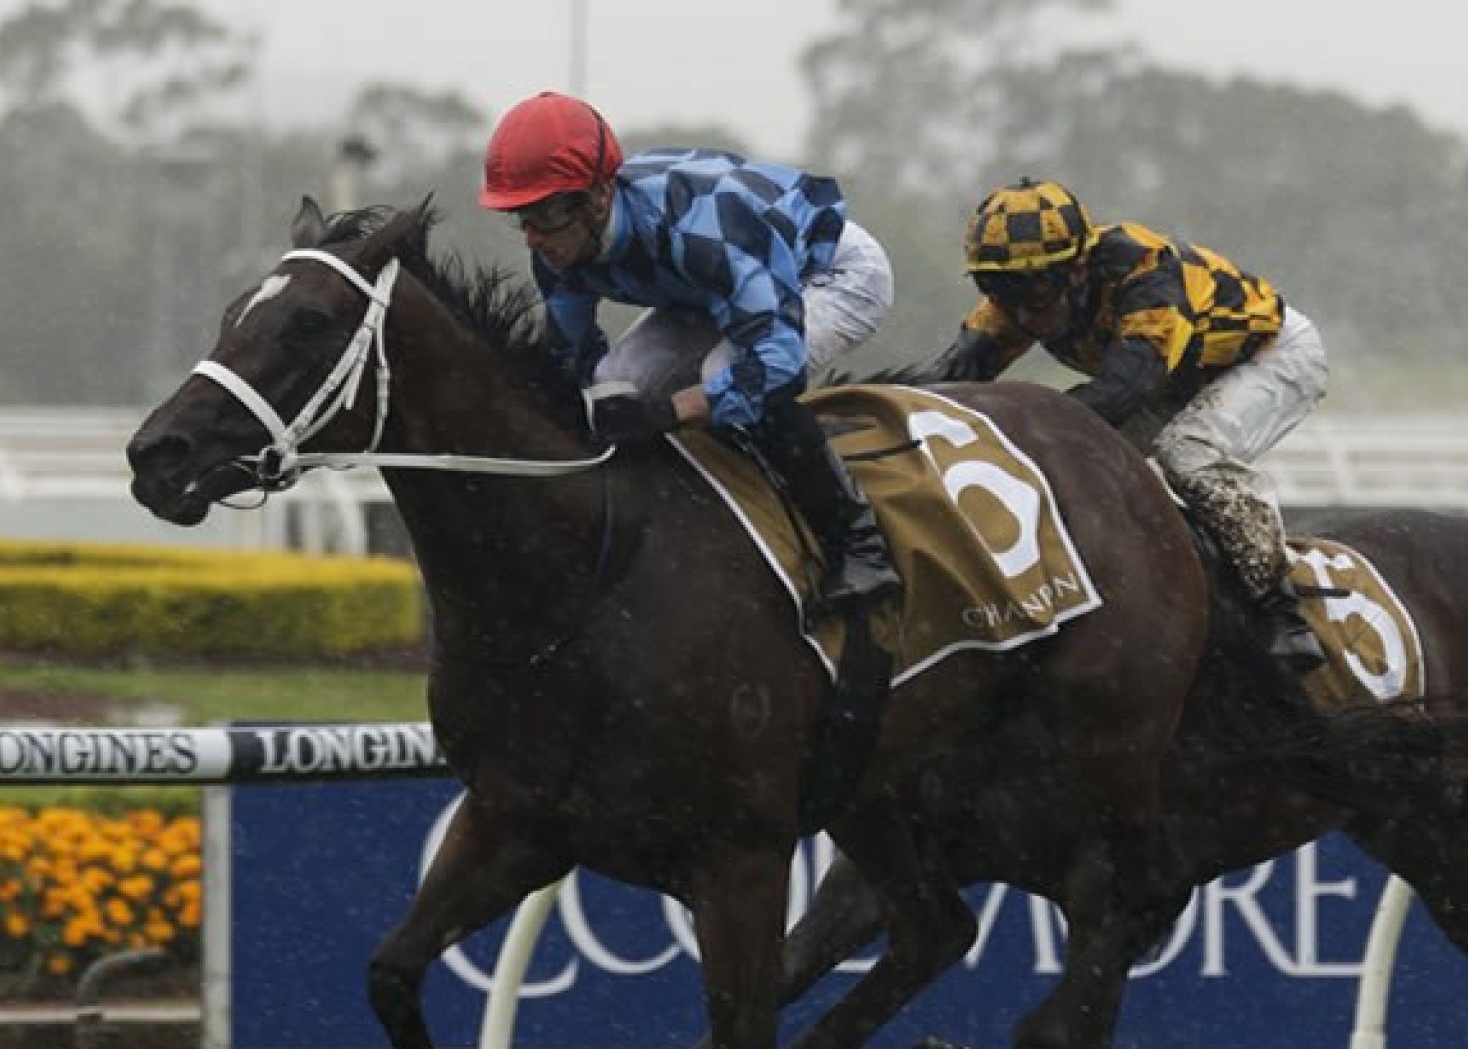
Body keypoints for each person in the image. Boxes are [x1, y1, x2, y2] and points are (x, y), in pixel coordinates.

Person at [479, 91, 901, 618]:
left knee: (723, 374)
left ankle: (859, 545)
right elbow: (572, 364)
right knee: (618, 382)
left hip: (829, 273)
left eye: (543, 216)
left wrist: (672, 411)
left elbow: (776, 364)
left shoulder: (702, 229)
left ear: (597, 198)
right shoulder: (559, 252)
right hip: (708, 290)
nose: (532, 239)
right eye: (521, 219)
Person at [922, 178, 1327, 671]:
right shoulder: (1019, 298)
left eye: (1037, 287)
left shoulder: (1144, 271)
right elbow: (945, 387)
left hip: (1267, 356)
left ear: (1077, 269)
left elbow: (1122, 391)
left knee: (1189, 453)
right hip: (1175, 374)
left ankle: (1281, 607)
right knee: (1087, 468)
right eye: (1000, 289)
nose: (1025, 308)